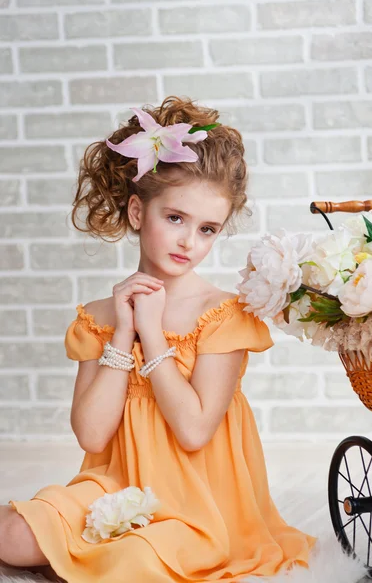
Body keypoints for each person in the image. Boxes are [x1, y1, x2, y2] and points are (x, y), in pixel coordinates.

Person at [0, 96, 316, 582]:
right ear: (135, 211)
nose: (189, 242)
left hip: (199, 502)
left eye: (207, 229)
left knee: (135, 561)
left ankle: (113, 553)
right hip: (118, 484)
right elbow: (91, 434)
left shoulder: (222, 314)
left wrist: (152, 330)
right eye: (175, 219)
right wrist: (125, 332)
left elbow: (193, 431)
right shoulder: (101, 317)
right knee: (15, 533)